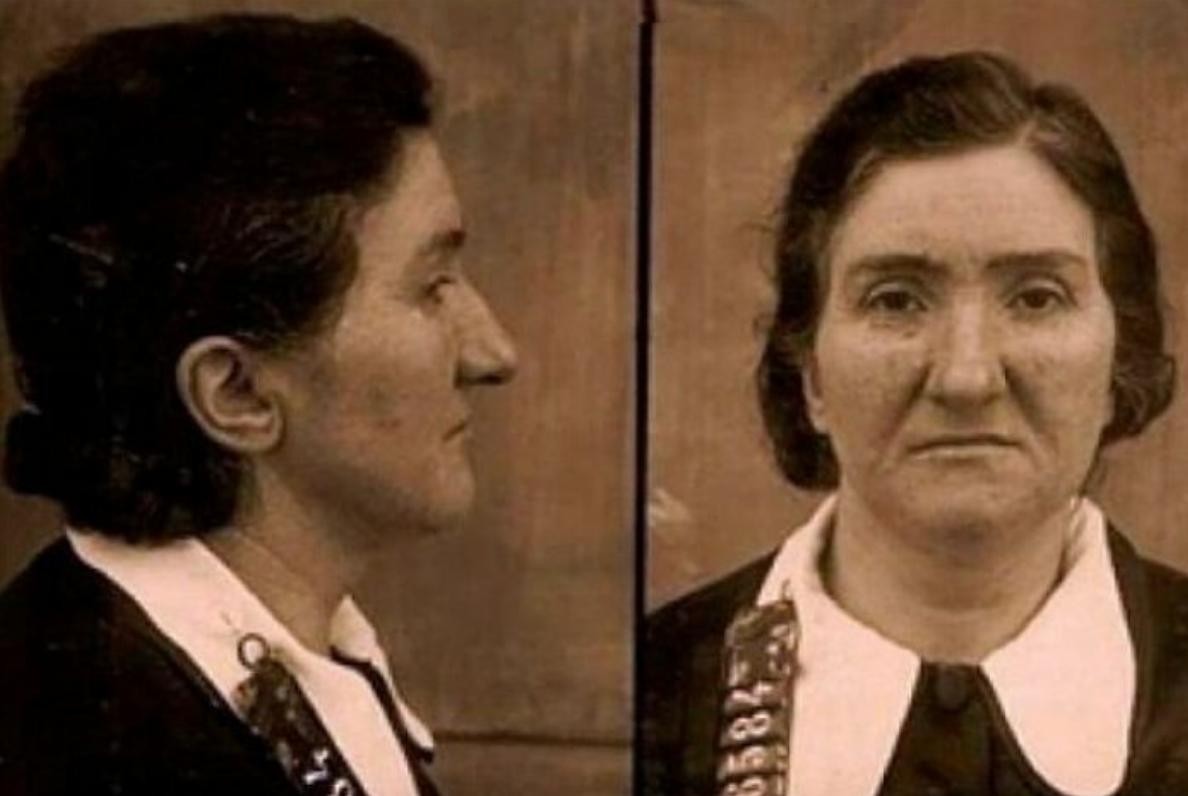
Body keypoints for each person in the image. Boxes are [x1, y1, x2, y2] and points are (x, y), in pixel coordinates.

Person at [643, 52, 1188, 796]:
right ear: (809, 373)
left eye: (1036, 297)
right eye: (896, 300)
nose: (967, 377)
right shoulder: (655, 691)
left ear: (1119, 356)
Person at [0, 13, 516, 796]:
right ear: (235, 393)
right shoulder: (86, 748)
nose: (494, 353)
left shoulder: (286, 667)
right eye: (431, 286)